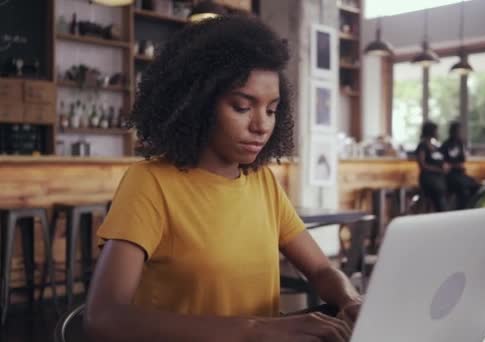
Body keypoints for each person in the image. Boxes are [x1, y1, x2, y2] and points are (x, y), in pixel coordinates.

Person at [84, 16, 361, 342]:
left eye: (271, 110)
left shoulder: (263, 183)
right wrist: (254, 330)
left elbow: (320, 270)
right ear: (196, 104)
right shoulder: (150, 184)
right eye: (242, 107)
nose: (261, 125)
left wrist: (351, 299)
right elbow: (103, 318)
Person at [440, 121, 480, 209]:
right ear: (452, 131)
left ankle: (471, 208)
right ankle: (461, 211)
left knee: (476, 185)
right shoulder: (445, 145)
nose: (459, 133)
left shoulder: (460, 143)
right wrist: (454, 166)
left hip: (460, 174)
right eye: (457, 130)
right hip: (449, 176)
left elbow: (462, 160)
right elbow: (444, 164)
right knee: (463, 189)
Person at [415, 121, 448, 212]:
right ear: (431, 131)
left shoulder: (436, 146)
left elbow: (441, 160)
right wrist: (438, 170)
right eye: (436, 130)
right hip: (428, 178)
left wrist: (444, 167)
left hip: (439, 178)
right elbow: (423, 165)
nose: (438, 133)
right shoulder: (422, 145)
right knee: (439, 195)